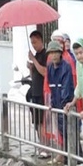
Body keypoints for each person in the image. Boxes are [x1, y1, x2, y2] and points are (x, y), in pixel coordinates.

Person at [45, 40, 74, 166]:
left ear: (60, 53)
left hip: (65, 105)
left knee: (69, 131)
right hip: (56, 104)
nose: (53, 55)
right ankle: (65, 157)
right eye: (51, 53)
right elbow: (52, 86)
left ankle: (73, 160)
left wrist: (63, 105)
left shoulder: (66, 67)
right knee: (62, 132)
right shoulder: (50, 67)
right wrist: (52, 103)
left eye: (56, 52)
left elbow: (66, 88)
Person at [64, 36, 83, 164]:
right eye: (77, 54)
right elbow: (80, 86)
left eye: (81, 53)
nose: (79, 56)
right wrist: (73, 102)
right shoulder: (79, 64)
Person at [25, 29, 49, 157]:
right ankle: (41, 145)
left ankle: (45, 147)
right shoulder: (37, 55)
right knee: (37, 121)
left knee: (42, 121)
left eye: (35, 42)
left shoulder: (44, 55)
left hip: (41, 92)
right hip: (34, 91)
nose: (33, 45)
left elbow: (44, 72)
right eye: (32, 43)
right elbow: (34, 75)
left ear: (41, 41)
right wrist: (31, 67)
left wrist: (34, 60)